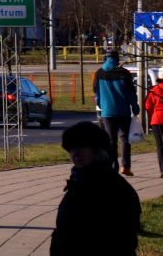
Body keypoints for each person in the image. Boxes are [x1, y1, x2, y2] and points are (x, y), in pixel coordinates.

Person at [50, 121, 140, 255]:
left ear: (97, 150)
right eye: (73, 148)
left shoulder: (114, 189)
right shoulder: (77, 183)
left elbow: (120, 241)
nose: (76, 153)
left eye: (82, 147)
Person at [93, 50, 139, 175]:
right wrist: (135, 109)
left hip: (107, 112)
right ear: (117, 59)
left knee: (111, 141)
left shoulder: (99, 73)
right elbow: (131, 94)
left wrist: (101, 105)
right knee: (125, 139)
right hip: (123, 111)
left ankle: (113, 167)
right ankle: (126, 166)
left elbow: (96, 92)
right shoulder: (124, 73)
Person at [145, 75, 163, 177]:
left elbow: (148, 104)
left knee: (160, 145)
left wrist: (151, 115)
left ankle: (162, 170)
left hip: (157, 119)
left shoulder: (154, 89)